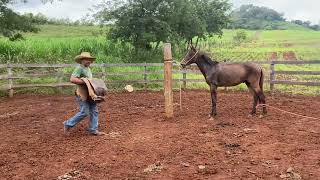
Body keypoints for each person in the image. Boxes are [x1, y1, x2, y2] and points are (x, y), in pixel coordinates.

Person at [63, 52, 105, 136]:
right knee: (84, 112)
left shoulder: (88, 69)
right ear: (82, 60)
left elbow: (89, 81)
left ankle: (93, 129)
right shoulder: (79, 68)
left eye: (89, 59)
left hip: (90, 93)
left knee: (94, 111)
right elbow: (72, 79)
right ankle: (68, 124)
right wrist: (84, 81)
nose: (89, 61)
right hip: (82, 94)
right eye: (87, 59)